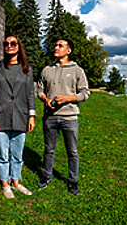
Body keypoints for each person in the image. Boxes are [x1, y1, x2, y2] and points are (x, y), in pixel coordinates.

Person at [37, 39, 90, 195]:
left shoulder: (77, 70)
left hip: (70, 118)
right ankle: (46, 177)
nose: (56, 47)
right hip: (50, 117)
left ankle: (73, 181)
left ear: (68, 51)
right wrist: (45, 100)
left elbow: (85, 94)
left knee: (72, 152)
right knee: (49, 150)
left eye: (60, 46)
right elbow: (40, 91)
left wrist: (67, 99)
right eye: (56, 45)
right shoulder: (46, 70)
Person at [0, 35, 36, 199]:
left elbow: (30, 94)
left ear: (18, 46)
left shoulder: (26, 69)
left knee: (17, 153)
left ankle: (16, 182)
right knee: (2, 153)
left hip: (21, 115)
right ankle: (5, 184)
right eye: (6, 43)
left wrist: (31, 116)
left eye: (13, 43)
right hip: (0, 114)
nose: (9, 46)